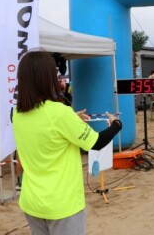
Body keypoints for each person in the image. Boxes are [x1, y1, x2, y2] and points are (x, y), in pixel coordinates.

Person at [12, 51, 123, 235]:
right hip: (62, 204)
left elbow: (46, 129)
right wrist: (116, 124)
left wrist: (71, 118)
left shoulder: (16, 113)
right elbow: (96, 142)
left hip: (32, 202)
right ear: (46, 77)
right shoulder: (59, 112)